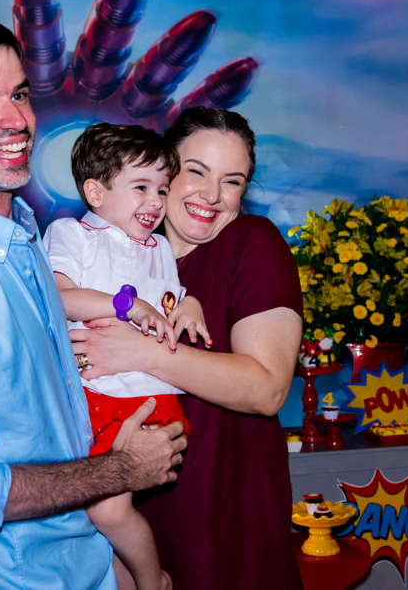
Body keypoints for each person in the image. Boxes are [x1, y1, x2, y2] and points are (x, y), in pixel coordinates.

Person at [0, 18, 187, 590]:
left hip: (90, 567)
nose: (16, 119)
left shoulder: (22, 229)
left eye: (19, 94)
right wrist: (120, 470)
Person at [69, 107, 304, 590]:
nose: (212, 195)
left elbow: (268, 389)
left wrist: (143, 351)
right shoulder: (122, 256)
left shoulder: (250, 242)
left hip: (226, 521)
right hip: (129, 509)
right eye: (196, 172)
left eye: (232, 181)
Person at [43, 123, 212, 590]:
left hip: (141, 399)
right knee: (81, 512)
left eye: (162, 189)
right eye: (141, 187)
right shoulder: (71, 234)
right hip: (88, 396)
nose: (156, 201)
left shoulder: (159, 248)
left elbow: (172, 301)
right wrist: (126, 304)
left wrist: (191, 305)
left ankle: (153, 582)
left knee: (106, 509)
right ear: (95, 192)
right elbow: (60, 298)